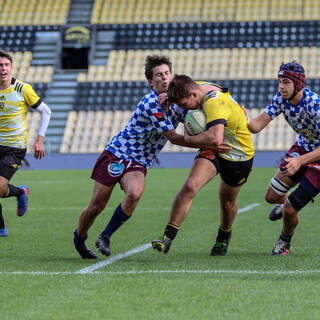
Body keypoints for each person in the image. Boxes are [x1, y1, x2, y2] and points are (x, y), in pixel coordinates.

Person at [73, 55, 231, 259]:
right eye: (159, 75)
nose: (165, 78)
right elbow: (174, 137)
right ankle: (79, 238)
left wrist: (227, 111)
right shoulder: (150, 102)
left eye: (167, 73)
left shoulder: (177, 101)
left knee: (135, 193)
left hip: (139, 161)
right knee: (97, 206)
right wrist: (210, 142)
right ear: (150, 81)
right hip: (117, 153)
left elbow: (199, 108)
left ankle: (105, 236)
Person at [152, 74, 255, 256]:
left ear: (193, 94)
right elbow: (182, 83)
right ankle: (167, 237)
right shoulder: (197, 88)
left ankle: (223, 238)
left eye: (184, 105)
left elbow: (216, 138)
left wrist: (187, 139)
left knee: (227, 202)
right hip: (214, 149)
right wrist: (170, 94)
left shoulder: (213, 103)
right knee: (191, 185)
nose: (184, 109)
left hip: (238, 155)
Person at [243, 61, 320, 256]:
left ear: (299, 84)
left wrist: (300, 161)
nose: (281, 87)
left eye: (286, 82)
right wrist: (242, 119)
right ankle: (290, 203)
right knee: (271, 197)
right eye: (279, 81)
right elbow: (257, 126)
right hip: (302, 149)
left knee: (290, 209)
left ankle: (284, 242)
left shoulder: (315, 105)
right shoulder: (281, 99)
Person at [0, 50, 51, 237]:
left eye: (6, 65)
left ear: (11, 68)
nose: (3, 69)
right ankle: (1, 228)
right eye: (0, 65)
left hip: (14, 148)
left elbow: (46, 111)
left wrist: (40, 139)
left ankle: (21, 193)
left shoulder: (22, 89)